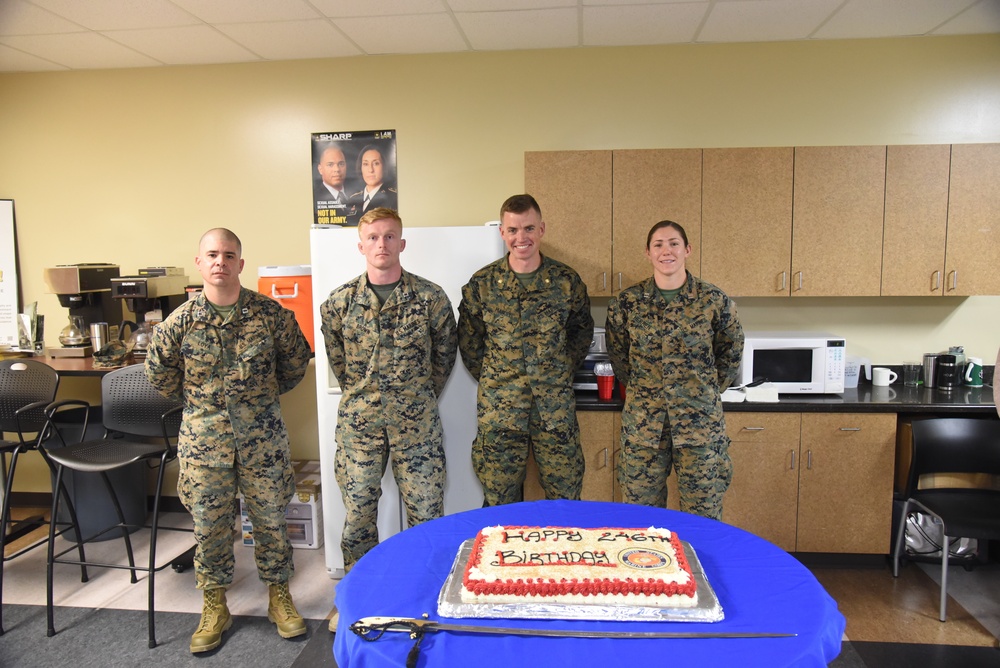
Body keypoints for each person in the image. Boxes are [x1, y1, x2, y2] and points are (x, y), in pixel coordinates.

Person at [145, 228, 311, 654]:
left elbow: (295, 366)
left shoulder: (272, 316)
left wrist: (256, 404)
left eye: (229, 255)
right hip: (205, 444)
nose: (220, 261)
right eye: (212, 254)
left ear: (241, 263)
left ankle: (280, 596)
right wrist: (203, 405)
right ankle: (215, 605)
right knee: (210, 527)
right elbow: (160, 375)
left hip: (263, 442)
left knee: (272, 521)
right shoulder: (178, 323)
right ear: (200, 263)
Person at [319, 207, 457, 572]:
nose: (382, 244)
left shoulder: (431, 298)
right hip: (360, 430)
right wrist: (366, 393)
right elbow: (340, 363)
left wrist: (416, 397)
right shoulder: (338, 303)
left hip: (417, 429)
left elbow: (444, 358)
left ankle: (425, 591)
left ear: (402, 243)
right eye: (373, 237)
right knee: (359, 515)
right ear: (361, 246)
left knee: (427, 514)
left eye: (389, 236)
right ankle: (359, 594)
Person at [458, 193, 594, 506]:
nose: (522, 238)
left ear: (542, 229)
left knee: (566, 498)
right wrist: (498, 379)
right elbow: (469, 341)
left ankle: (563, 555)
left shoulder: (566, 282)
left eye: (529, 229)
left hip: (554, 409)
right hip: (501, 412)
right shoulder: (482, 284)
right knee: (498, 500)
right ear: (502, 232)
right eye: (514, 230)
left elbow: (580, 332)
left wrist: (557, 371)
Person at [605, 220, 744, 520]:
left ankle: (702, 568)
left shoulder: (714, 301)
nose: (666, 250)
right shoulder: (627, 304)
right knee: (640, 519)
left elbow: (730, 354)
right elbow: (619, 356)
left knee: (704, 517)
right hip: (644, 428)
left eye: (673, 243)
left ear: (687, 250)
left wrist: (701, 392)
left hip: (700, 428)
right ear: (648, 252)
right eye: (658, 244)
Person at [348, 144, 397, 216]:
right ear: (360, 167)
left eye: (376, 163)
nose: (371, 170)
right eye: (365, 164)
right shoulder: (353, 199)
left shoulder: (393, 197)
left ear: (384, 166)